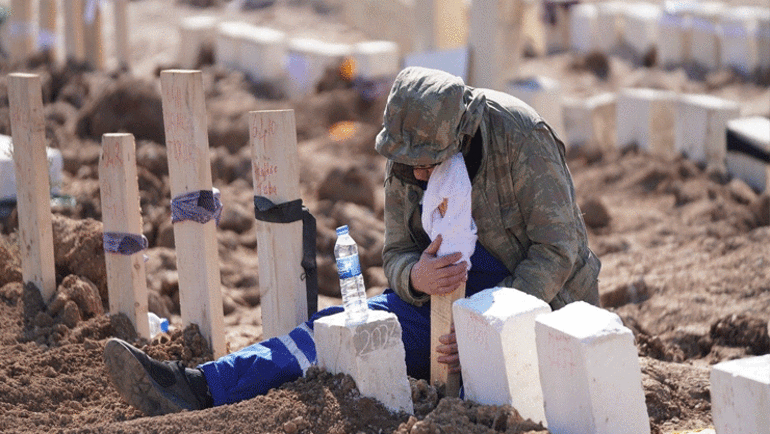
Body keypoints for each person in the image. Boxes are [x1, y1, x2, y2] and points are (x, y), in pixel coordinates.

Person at [103, 66, 600, 416]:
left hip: (536, 303)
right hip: (442, 296)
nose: (419, 174)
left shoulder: (519, 136)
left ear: (462, 132)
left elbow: (559, 250)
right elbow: (396, 253)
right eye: (410, 164)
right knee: (339, 329)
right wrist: (414, 277)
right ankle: (203, 386)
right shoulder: (409, 148)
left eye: (429, 162)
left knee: (486, 386)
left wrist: (486, 331)